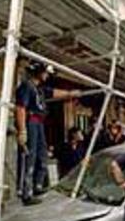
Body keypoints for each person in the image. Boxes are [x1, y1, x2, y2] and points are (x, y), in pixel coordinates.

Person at [15, 62, 80, 205]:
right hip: (30, 122)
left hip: (39, 123)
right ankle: (26, 192)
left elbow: (54, 93)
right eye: (44, 72)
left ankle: (38, 186)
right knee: (29, 156)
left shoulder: (40, 89)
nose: (46, 75)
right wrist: (22, 130)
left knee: (42, 155)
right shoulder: (26, 86)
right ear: (38, 71)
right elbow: (20, 108)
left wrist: (70, 93)